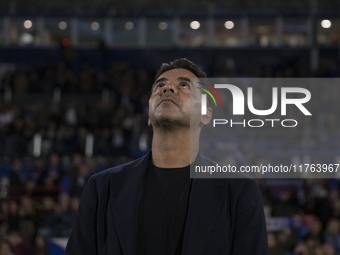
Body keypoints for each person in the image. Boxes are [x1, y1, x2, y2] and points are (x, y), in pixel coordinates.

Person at [64, 58, 268, 255]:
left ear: (205, 115)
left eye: (184, 86)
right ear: (149, 116)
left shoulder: (239, 191)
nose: (167, 89)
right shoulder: (102, 188)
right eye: (159, 86)